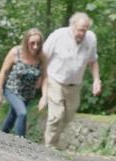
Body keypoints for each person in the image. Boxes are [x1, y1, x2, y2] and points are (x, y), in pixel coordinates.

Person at [38, 12, 102, 149]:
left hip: (75, 85)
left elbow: (93, 61)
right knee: (56, 114)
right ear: (72, 26)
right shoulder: (58, 36)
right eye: (80, 29)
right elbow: (43, 58)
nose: (82, 33)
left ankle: (52, 141)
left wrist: (97, 80)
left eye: (85, 30)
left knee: (68, 116)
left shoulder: (91, 38)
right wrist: (41, 80)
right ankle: (49, 147)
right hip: (55, 80)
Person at [0, 28, 45, 137]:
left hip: (28, 95)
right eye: (32, 43)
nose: (35, 47)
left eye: (38, 43)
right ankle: (22, 144)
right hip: (12, 90)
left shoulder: (41, 57)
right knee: (22, 113)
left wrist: (43, 96)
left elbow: (45, 78)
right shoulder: (15, 52)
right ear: (26, 42)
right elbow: (3, 72)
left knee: (12, 117)